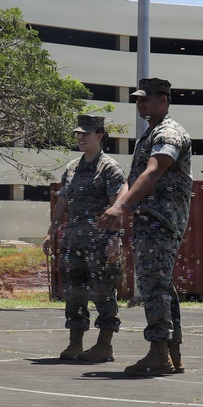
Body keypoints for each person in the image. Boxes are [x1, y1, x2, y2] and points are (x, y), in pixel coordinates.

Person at [99, 78, 193, 376]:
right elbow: (135, 176)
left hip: (161, 220)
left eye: (146, 99)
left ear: (163, 100)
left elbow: (153, 171)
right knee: (161, 285)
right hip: (150, 218)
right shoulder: (150, 134)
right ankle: (172, 353)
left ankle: (158, 353)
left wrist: (121, 206)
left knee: (153, 285)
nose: (140, 104)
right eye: (138, 100)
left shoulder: (169, 133)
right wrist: (122, 203)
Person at [43, 115, 127, 362]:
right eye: (77, 134)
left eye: (85, 134)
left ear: (99, 136)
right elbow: (63, 202)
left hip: (100, 243)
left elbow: (117, 206)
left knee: (103, 293)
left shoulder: (110, 168)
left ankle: (104, 345)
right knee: (74, 292)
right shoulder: (72, 167)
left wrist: (115, 240)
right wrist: (51, 231)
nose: (80, 138)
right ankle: (75, 343)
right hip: (74, 242)